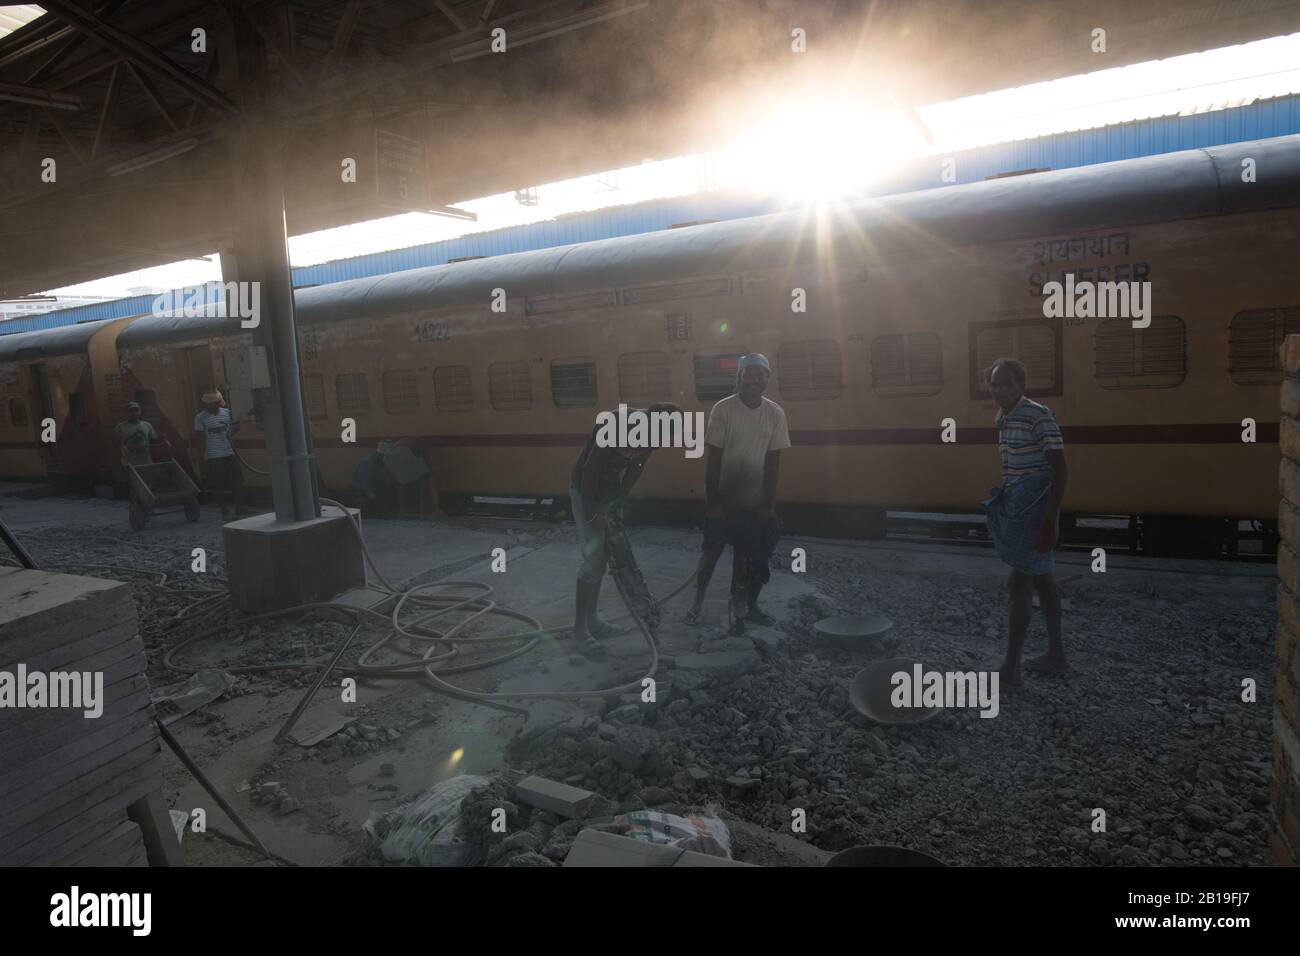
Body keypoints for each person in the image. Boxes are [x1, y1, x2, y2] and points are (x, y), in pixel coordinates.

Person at [685, 353, 790, 633]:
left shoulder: (775, 413)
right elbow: (714, 459)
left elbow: (773, 462)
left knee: (748, 558)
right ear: (740, 376)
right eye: (750, 373)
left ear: (768, 378)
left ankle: (743, 609)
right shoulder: (724, 409)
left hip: (753, 503)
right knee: (711, 554)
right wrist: (713, 503)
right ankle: (696, 603)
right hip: (723, 499)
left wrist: (767, 504)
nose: (755, 379)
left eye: (761, 374)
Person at [982, 357, 1069, 687]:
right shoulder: (1003, 418)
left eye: (1005, 383)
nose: (998, 389)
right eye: (994, 384)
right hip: (1020, 504)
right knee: (1043, 580)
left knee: (1018, 583)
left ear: (1021, 385)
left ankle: (1011, 669)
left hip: (1036, 508)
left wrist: (1049, 520)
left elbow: (1060, 470)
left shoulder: (1038, 415)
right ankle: (1056, 657)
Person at [570, 402, 681, 658]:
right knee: (593, 562)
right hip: (584, 491)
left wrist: (620, 500)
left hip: (607, 494)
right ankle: (580, 631)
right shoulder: (617, 423)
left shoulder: (656, 432)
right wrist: (590, 515)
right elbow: (590, 469)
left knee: (604, 560)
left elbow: (636, 467)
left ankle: (594, 623)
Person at [193, 390, 247, 519]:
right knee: (218, 484)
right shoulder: (200, 418)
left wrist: (237, 426)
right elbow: (200, 439)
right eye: (209, 404)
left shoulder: (227, 413)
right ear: (205, 405)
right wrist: (203, 458)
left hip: (229, 452)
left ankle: (240, 509)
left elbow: (232, 431)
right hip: (213, 455)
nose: (212, 406)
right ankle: (224, 511)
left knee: (237, 481)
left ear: (218, 403)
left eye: (214, 403)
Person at [115, 401, 167, 470]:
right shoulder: (120, 427)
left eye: (136, 410)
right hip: (130, 464)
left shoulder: (147, 425)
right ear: (127, 413)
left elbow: (154, 441)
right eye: (131, 411)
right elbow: (115, 444)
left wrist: (161, 439)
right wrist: (123, 463)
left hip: (146, 463)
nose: (134, 413)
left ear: (140, 411)